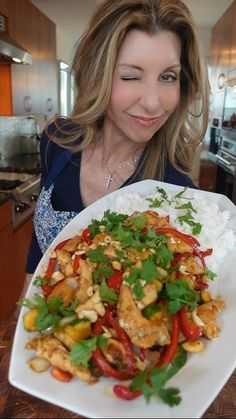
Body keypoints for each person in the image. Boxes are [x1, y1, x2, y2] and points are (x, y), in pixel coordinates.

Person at [25, 0, 210, 283]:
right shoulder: (56, 139)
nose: (152, 102)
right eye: (131, 76)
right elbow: (38, 249)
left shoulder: (176, 192)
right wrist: (20, 318)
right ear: (96, 75)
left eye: (168, 76)